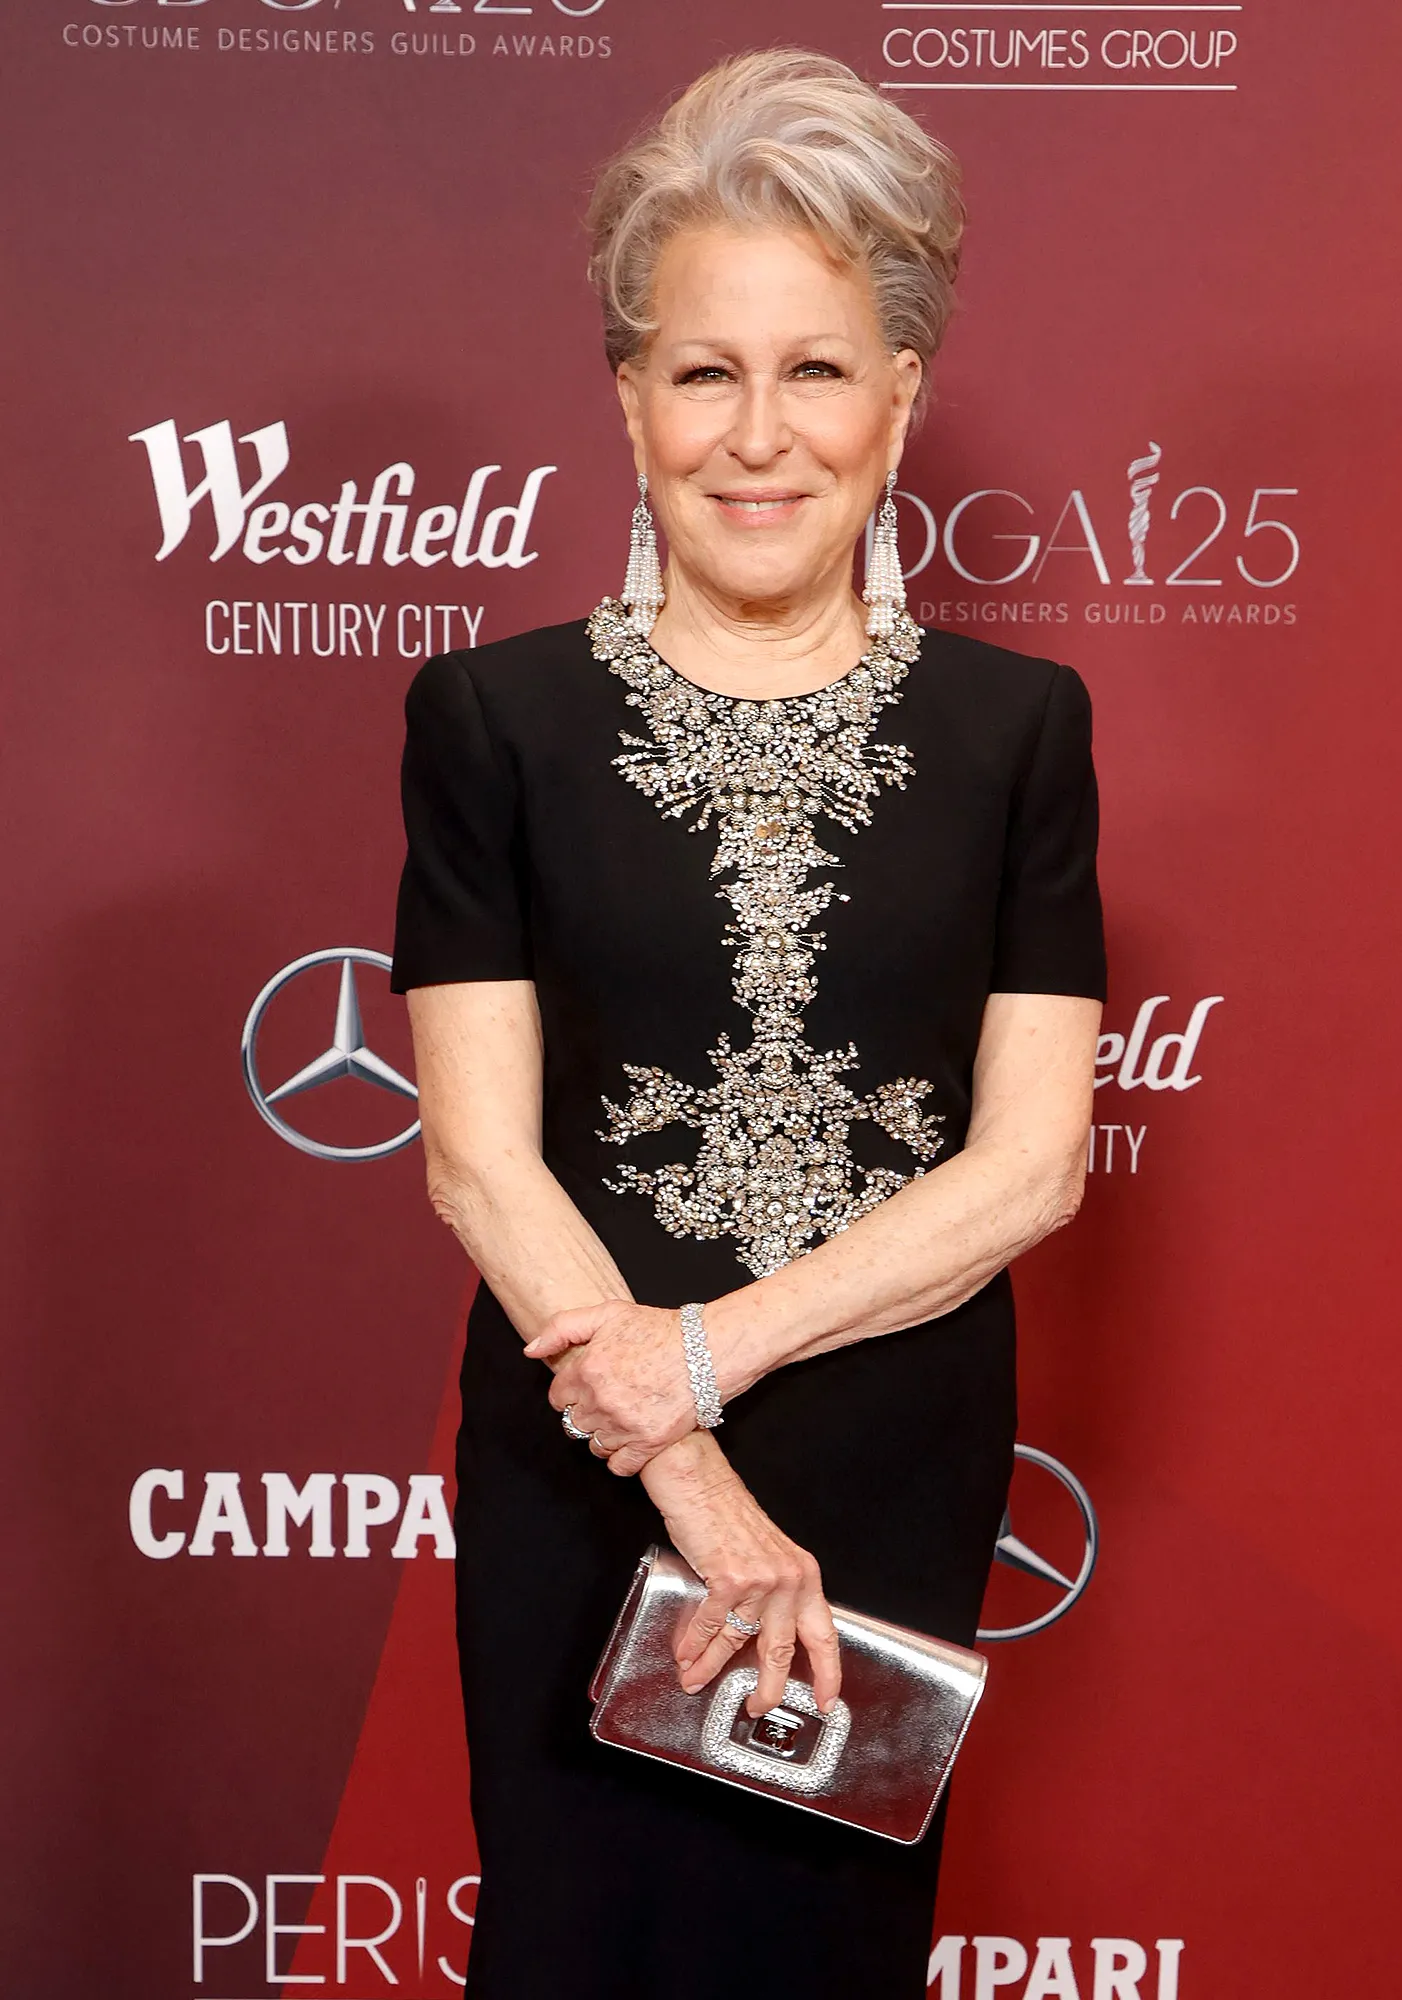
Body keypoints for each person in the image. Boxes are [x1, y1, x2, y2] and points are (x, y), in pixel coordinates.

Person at [389, 46, 1106, 2000]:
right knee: (579, 1947)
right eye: (705, 371)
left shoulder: (1019, 730)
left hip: (884, 1452)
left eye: (816, 370)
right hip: (588, 1455)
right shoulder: (495, 719)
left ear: (902, 397)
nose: (759, 434)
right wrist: (686, 1469)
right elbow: (478, 1158)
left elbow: (1033, 1164)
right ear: (629, 399)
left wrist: (707, 1358)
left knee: (824, 1958)